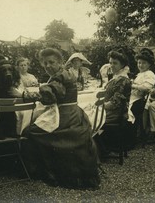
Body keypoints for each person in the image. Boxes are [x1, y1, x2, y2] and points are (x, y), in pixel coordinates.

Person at [22, 48, 100, 189]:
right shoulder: (66, 73)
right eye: (44, 63)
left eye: (51, 62)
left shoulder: (60, 77)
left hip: (66, 116)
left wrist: (29, 95)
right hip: (74, 112)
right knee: (35, 128)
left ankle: (47, 171)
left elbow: (51, 96)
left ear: (60, 62)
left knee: (30, 132)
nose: (48, 66)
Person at [94, 50, 132, 154]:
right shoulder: (117, 77)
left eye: (115, 63)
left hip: (116, 114)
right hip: (112, 111)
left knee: (87, 117)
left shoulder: (122, 80)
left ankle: (95, 149)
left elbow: (115, 103)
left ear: (123, 65)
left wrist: (98, 106)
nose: (111, 65)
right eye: (110, 63)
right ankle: (99, 146)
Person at [128, 50, 155, 133]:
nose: (141, 65)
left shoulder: (149, 73)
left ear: (149, 64)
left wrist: (133, 85)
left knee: (128, 108)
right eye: (139, 63)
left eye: (144, 63)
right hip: (134, 97)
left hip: (141, 100)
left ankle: (133, 132)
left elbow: (147, 87)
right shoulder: (139, 74)